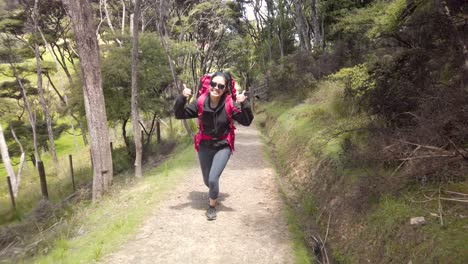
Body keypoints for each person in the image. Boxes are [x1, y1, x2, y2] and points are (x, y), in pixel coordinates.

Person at [174, 71, 254, 220]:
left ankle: (211, 206)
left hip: (223, 145)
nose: (216, 88)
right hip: (204, 144)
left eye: (220, 86)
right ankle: (214, 190)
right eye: (213, 84)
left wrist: (244, 103)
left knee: (212, 179)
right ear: (209, 84)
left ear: (225, 88)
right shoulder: (200, 102)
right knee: (207, 180)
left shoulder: (229, 103)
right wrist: (182, 98)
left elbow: (246, 121)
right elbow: (179, 114)